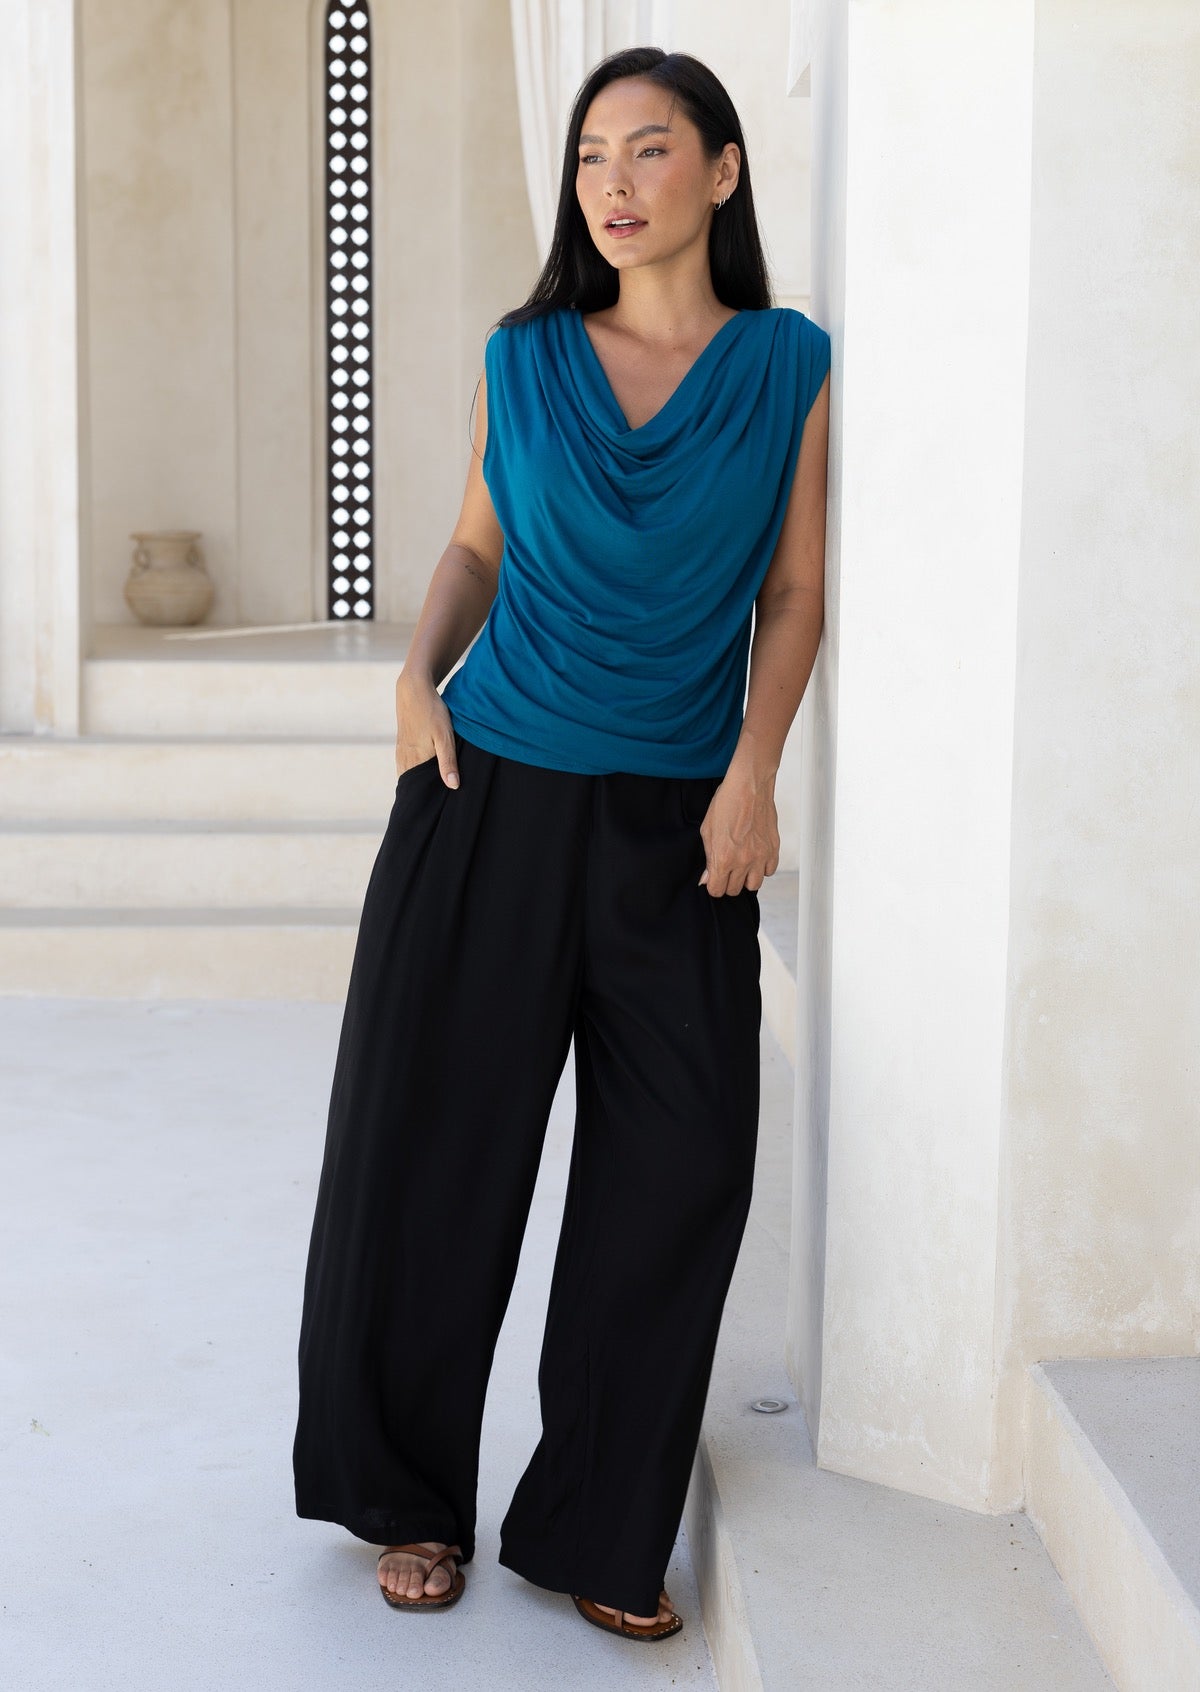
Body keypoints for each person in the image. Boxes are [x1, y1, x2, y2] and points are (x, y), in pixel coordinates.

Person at [293, 44, 830, 1644]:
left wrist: (756, 770)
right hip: (492, 792)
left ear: (723, 173)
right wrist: (413, 679)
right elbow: (475, 542)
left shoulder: (788, 364)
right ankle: (406, 1499)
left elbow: (794, 591)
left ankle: (600, 1520)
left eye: (649, 150)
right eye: (592, 153)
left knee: (678, 1170)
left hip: (681, 822)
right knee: (433, 1154)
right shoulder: (525, 355)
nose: (611, 182)